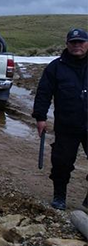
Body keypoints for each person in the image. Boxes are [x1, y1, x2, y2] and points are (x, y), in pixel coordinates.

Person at [33, 28, 88, 211]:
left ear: (87, 44)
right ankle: (59, 196)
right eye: (73, 42)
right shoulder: (56, 67)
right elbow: (43, 93)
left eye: (80, 42)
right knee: (62, 163)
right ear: (67, 45)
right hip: (67, 124)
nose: (77, 45)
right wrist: (40, 117)